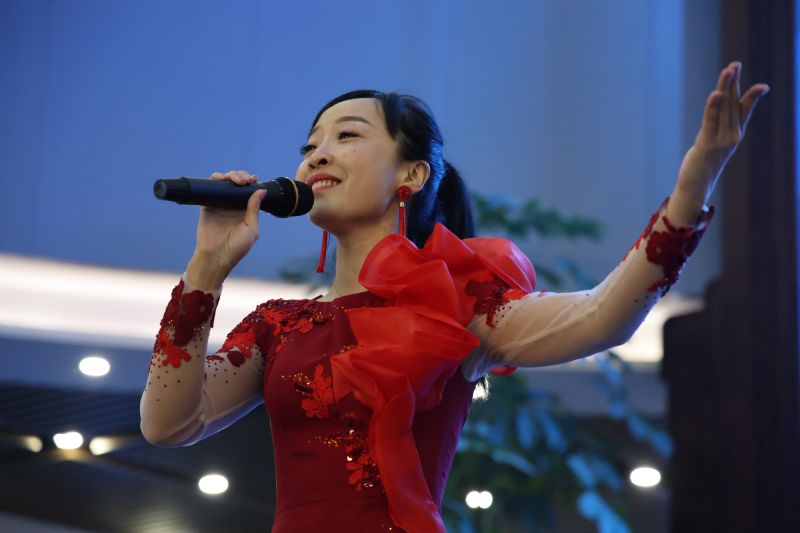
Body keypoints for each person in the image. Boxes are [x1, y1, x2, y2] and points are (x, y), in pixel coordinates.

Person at [140, 63, 768, 532]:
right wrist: (207, 268)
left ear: (411, 175)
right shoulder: (278, 326)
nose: (316, 156)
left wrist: (691, 193)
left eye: (347, 136)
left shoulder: (454, 306)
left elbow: (602, 317)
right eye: (309, 146)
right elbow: (167, 424)